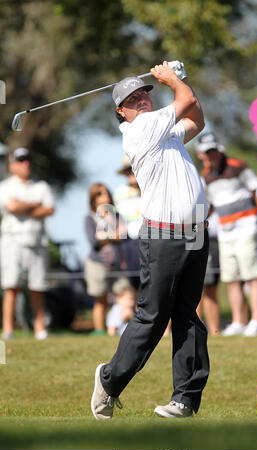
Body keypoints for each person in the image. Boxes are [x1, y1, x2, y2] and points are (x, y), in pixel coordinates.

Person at [91, 60, 210, 420]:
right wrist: (174, 80)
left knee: (188, 316)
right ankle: (110, 381)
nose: (142, 99)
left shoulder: (165, 131)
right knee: (153, 316)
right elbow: (185, 98)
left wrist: (181, 81)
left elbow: (197, 118)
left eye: (144, 93)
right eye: (133, 97)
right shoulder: (140, 129)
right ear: (121, 111)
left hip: (194, 231)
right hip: (164, 235)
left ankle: (185, 400)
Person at [197, 132, 257, 337]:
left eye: (214, 150)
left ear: (220, 149)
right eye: (207, 152)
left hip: (247, 226)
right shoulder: (206, 176)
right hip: (226, 232)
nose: (212, 154)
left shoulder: (238, 165)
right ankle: (238, 322)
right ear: (201, 155)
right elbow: (207, 207)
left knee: (251, 276)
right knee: (232, 278)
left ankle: (255, 321)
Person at [0, 147, 55, 340]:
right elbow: (11, 206)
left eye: (27, 159)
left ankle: (40, 329)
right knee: (11, 285)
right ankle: (8, 329)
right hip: (12, 240)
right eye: (21, 160)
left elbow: (49, 210)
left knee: (37, 286)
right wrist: (34, 205)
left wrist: (23, 207)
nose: (26, 163)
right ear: (13, 165)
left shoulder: (41, 186)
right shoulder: (5, 186)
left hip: (36, 241)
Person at [84, 182, 130, 336]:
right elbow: (94, 241)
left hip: (117, 265)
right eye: (100, 194)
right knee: (100, 300)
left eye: (106, 193)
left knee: (126, 296)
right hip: (97, 264)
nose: (105, 197)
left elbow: (124, 236)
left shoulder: (117, 216)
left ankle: (122, 329)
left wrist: (105, 236)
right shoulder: (89, 218)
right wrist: (114, 235)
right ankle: (100, 331)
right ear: (93, 199)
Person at [113, 155, 141, 289]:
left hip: (154, 239)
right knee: (135, 284)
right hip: (130, 243)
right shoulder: (119, 193)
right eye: (128, 170)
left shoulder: (152, 189)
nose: (132, 173)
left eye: (134, 169)